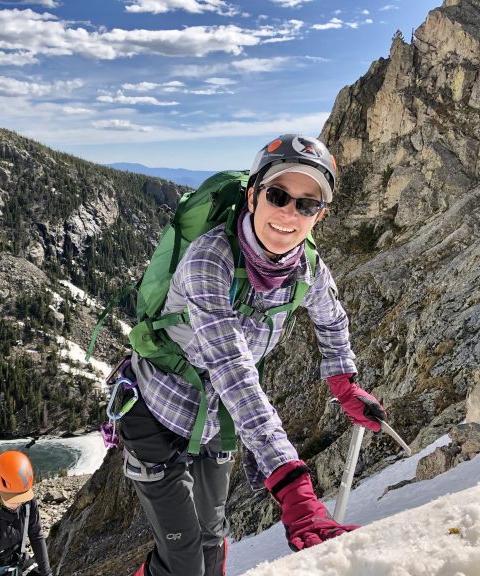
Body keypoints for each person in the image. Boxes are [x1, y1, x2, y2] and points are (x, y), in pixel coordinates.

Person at [120, 134, 388, 576]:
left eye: (307, 204)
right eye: (278, 195)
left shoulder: (307, 269)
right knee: (183, 559)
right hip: (155, 411)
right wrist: (291, 485)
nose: (289, 213)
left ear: (320, 215)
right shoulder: (210, 258)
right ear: (253, 196)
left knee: (211, 539)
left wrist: (345, 382)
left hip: (215, 425)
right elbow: (233, 369)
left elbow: (332, 319)